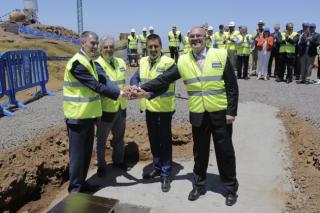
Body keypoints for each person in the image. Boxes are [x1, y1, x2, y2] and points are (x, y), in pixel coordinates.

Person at [132, 26, 239, 206]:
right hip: (198, 113)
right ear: (188, 39)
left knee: (225, 151)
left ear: (206, 38)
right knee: (200, 152)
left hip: (220, 113)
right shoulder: (182, 61)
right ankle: (199, 185)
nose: (195, 39)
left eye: (199, 36)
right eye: (192, 36)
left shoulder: (220, 55)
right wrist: (142, 89)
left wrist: (231, 112)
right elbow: (164, 79)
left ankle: (230, 188)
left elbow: (231, 86)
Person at [63, 31, 125, 193]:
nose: (95, 46)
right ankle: (75, 190)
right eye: (92, 43)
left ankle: (82, 183)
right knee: (77, 157)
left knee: (85, 155)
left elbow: (104, 81)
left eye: (97, 43)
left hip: (88, 116)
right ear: (82, 43)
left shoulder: (89, 61)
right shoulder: (77, 63)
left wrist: (124, 90)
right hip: (77, 118)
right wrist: (119, 94)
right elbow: (96, 86)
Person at [130, 34, 176, 192]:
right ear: (147, 47)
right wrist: (134, 87)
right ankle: (157, 167)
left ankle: (165, 174)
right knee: (154, 140)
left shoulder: (169, 62)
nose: (153, 49)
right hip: (149, 108)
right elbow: (134, 78)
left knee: (164, 142)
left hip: (163, 109)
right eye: (150, 47)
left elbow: (164, 85)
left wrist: (146, 94)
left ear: (161, 46)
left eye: (156, 46)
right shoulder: (143, 61)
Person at [95, 36, 128, 177]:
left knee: (119, 138)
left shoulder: (121, 62)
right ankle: (101, 165)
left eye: (111, 47)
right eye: (106, 47)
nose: (109, 49)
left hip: (121, 107)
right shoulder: (97, 64)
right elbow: (106, 83)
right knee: (101, 139)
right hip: (106, 109)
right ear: (101, 49)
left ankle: (118, 161)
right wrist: (121, 93)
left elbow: (123, 81)